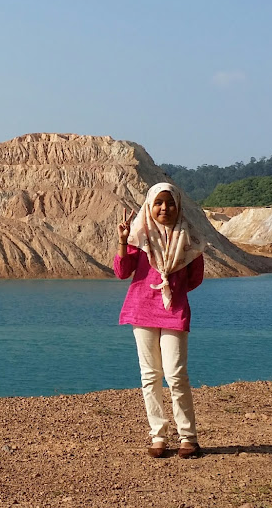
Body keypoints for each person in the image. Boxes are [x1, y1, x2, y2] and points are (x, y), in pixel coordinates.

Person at [114, 182, 206, 459]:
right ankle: (158, 436)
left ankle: (188, 437)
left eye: (170, 203)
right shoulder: (138, 238)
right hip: (141, 310)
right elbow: (121, 272)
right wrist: (122, 240)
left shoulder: (188, 238)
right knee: (150, 376)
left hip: (174, 310)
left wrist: (170, 289)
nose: (164, 208)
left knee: (176, 375)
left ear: (178, 206)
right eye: (158, 203)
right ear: (150, 206)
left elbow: (195, 278)